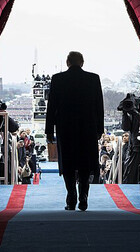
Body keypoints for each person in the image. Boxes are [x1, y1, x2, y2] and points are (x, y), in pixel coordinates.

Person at [45, 51, 104, 211]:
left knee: (68, 163)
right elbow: (99, 106)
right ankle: (83, 197)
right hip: (88, 128)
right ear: (82, 63)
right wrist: (100, 129)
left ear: (67, 62)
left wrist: (49, 130)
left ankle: (71, 197)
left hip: (65, 127)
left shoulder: (58, 79)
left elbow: (52, 106)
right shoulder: (93, 79)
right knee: (86, 162)